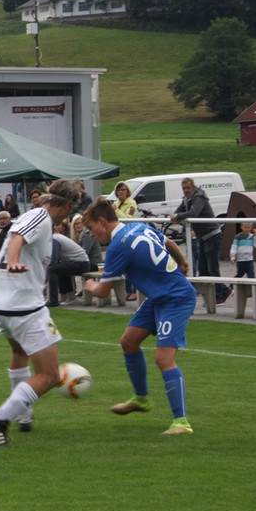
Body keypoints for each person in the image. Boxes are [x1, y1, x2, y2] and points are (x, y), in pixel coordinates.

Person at [82, 198, 197, 435]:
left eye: (92, 229)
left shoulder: (116, 247)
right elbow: (170, 243)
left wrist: (91, 285)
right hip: (158, 297)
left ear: (102, 222)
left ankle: (181, 423)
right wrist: (182, 262)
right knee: (129, 342)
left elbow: (103, 292)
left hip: (175, 299)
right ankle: (141, 399)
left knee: (164, 359)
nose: (92, 235)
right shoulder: (138, 226)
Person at [0, 179, 79, 446]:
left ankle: (23, 415)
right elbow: (17, 237)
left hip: (1, 303)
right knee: (50, 376)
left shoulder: (37, 217)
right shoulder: (41, 216)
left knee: (19, 352)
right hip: (24, 307)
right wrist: (13, 261)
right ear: (67, 205)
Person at [171, 177, 230, 305]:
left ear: (194, 187)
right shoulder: (186, 199)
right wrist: (176, 215)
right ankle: (221, 291)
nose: (186, 190)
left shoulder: (199, 197)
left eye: (188, 188)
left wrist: (178, 217)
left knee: (212, 267)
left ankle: (219, 295)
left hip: (212, 235)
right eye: (184, 188)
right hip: (202, 237)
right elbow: (178, 211)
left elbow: (193, 213)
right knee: (202, 269)